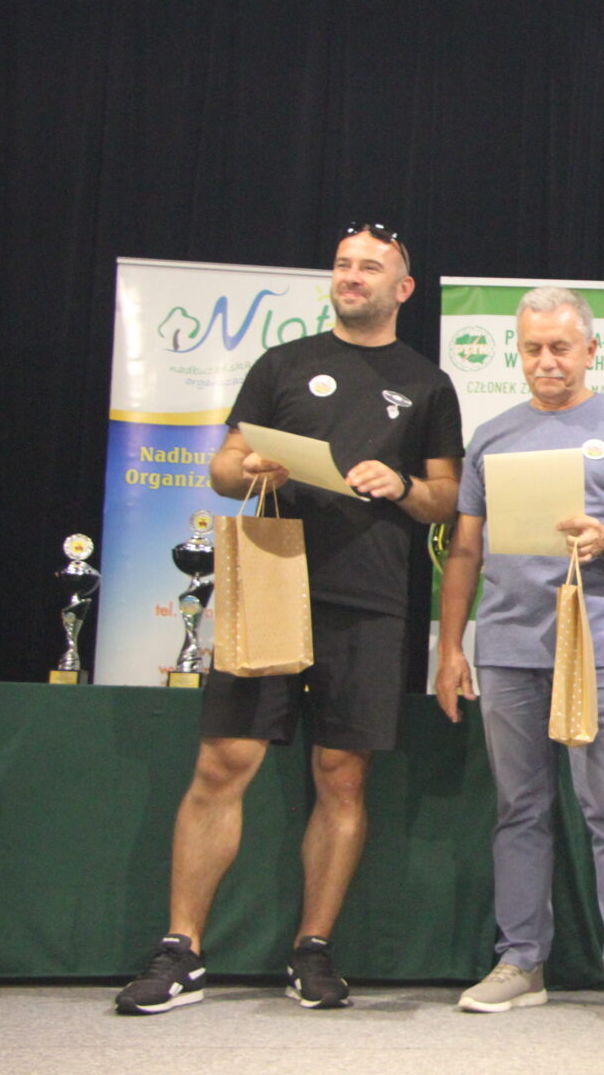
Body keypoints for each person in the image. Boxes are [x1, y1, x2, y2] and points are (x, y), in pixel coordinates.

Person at [116, 223, 464, 1014]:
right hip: (270, 578)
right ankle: (182, 950)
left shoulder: (427, 383)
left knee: (342, 776)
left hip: (371, 597)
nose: (352, 276)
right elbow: (222, 466)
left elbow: (446, 496)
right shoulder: (284, 364)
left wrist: (403, 486)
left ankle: (312, 948)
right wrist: (249, 466)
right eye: (343, 265)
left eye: (370, 267)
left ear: (403, 289)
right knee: (222, 763)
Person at [436, 286, 604, 1021]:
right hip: (508, 646)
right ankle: (521, 960)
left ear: (590, 351)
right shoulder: (492, 436)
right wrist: (450, 647)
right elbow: (465, 549)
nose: (546, 361)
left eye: (561, 348)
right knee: (520, 809)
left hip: (600, 645)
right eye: (533, 348)